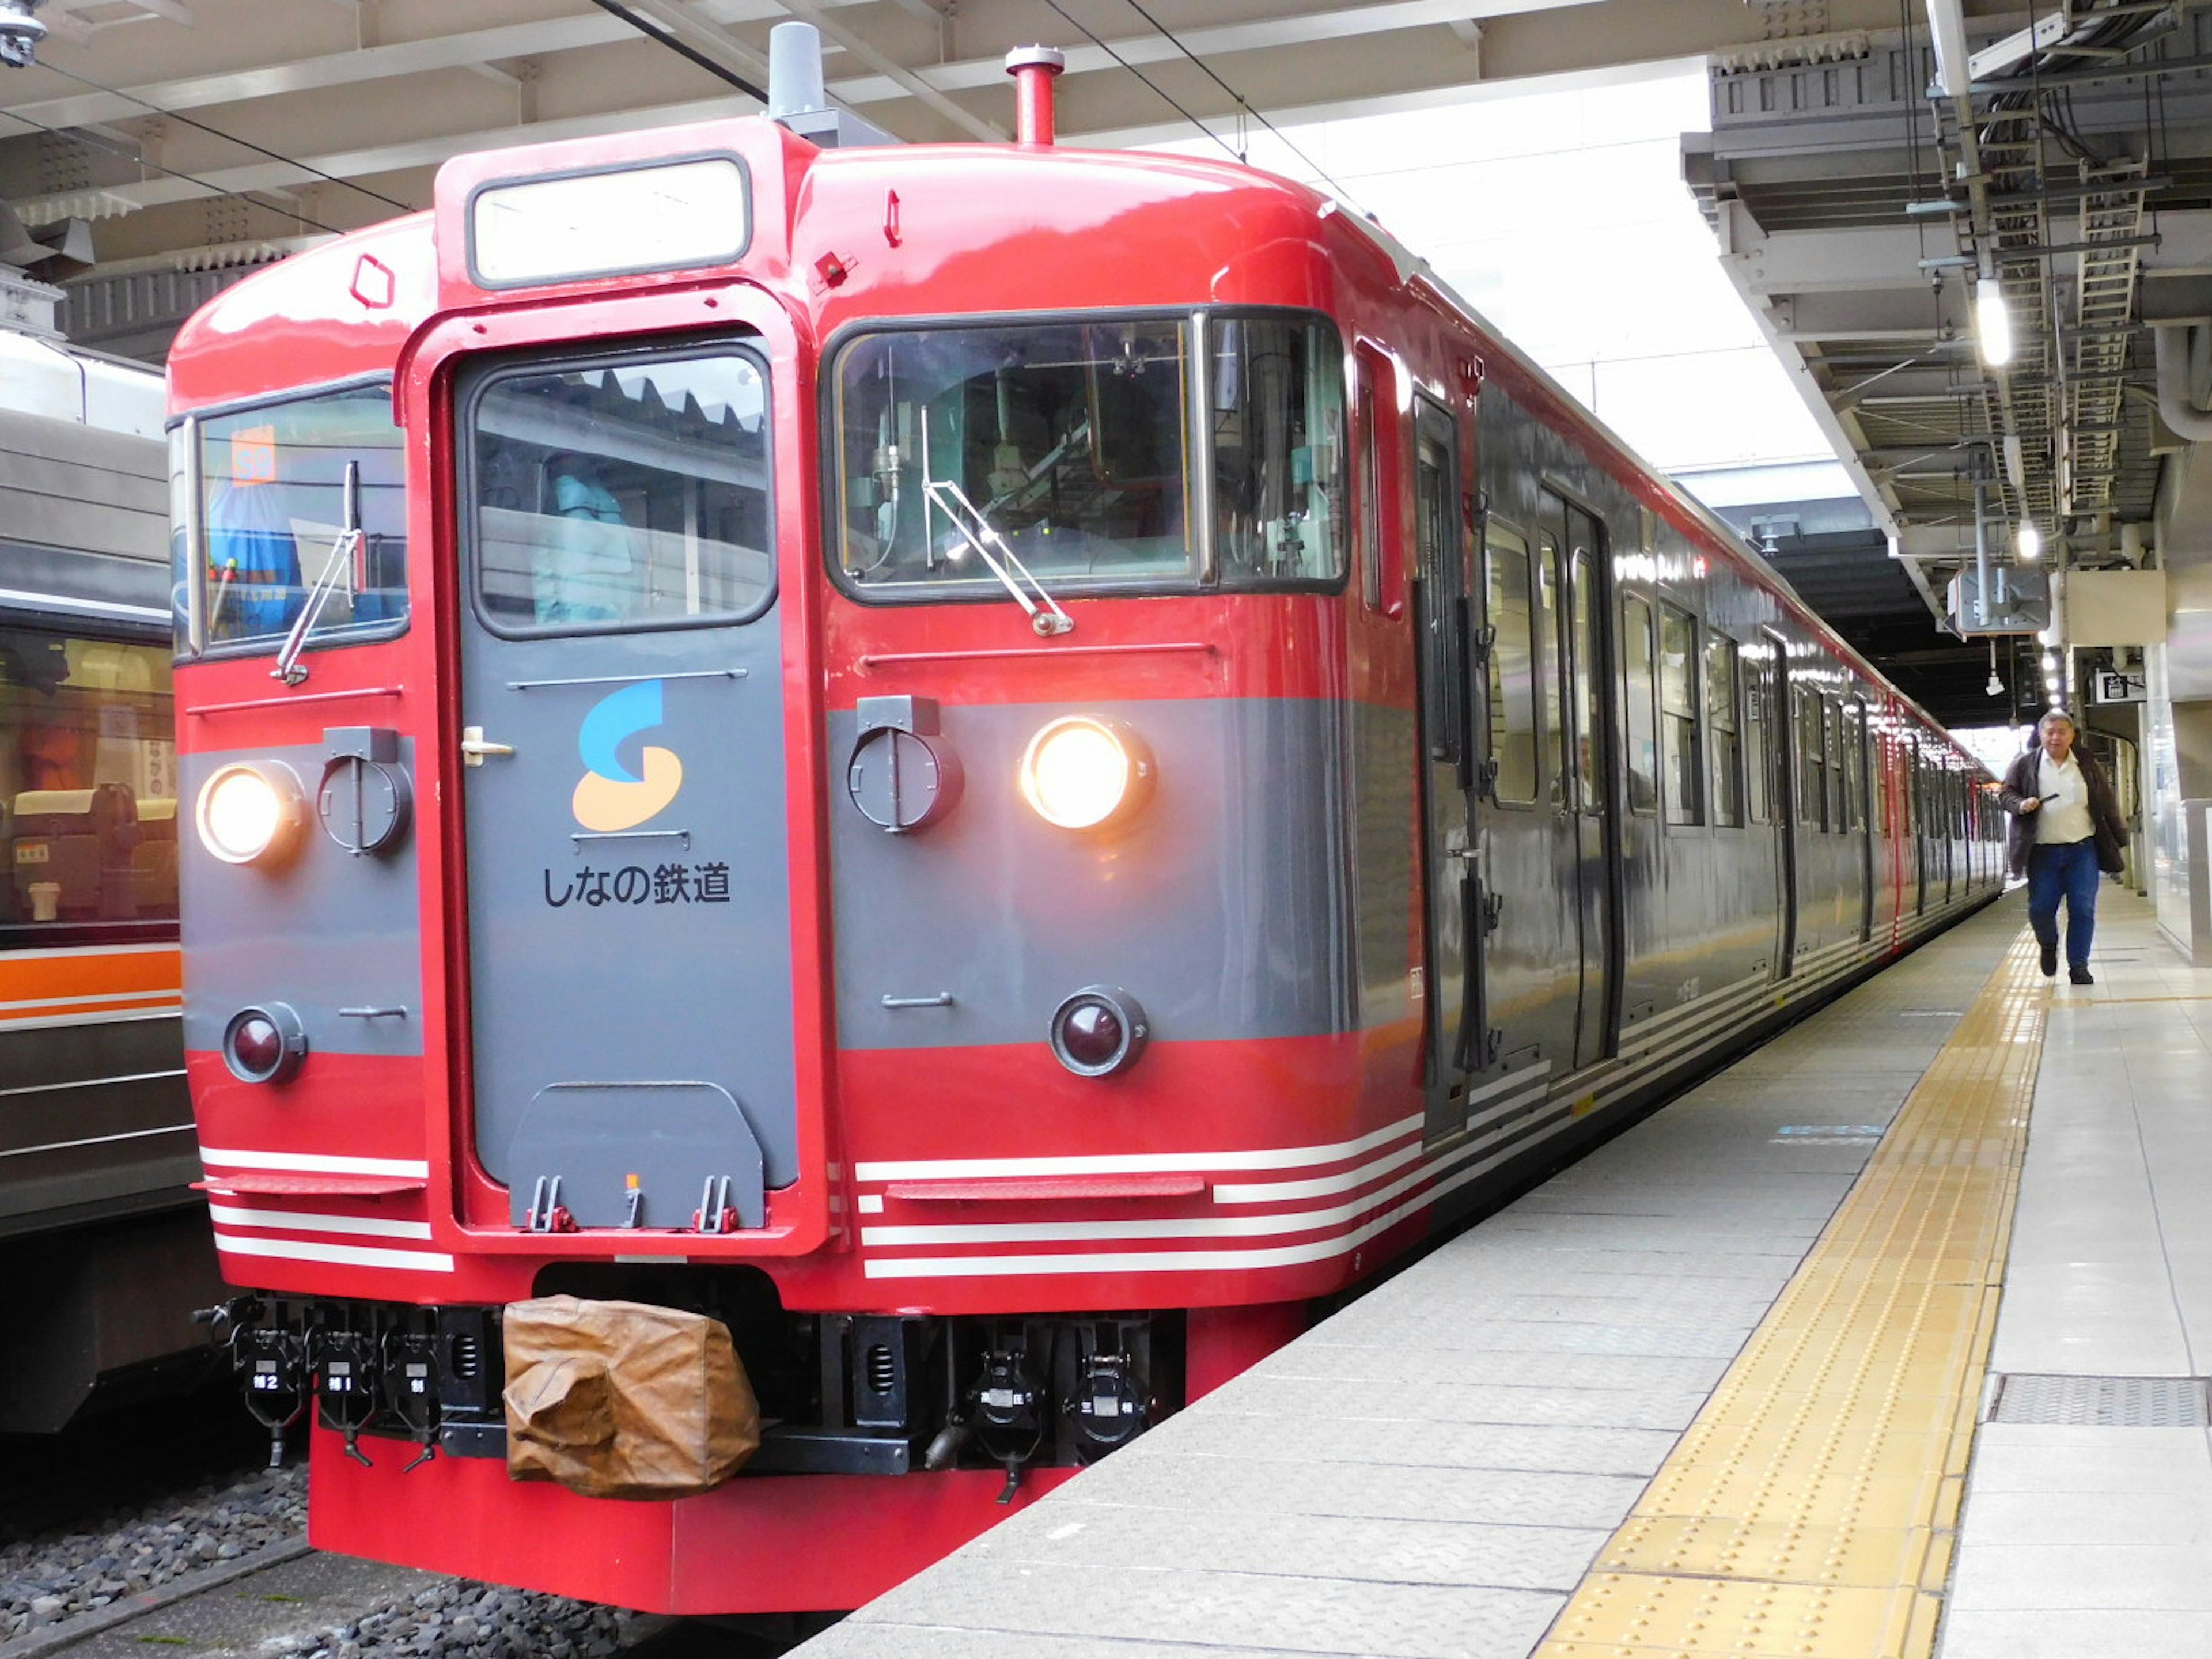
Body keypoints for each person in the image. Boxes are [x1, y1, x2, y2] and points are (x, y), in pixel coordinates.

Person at [1999, 708, 2129, 984]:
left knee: (2083, 908)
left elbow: (2105, 801)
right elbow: (2006, 794)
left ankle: (2078, 966)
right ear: (2041, 735)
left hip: (2082, 850)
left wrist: (2120, 837)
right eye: (2049, 732)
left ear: (2072, 736)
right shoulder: (2025, 764)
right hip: (2042, 852)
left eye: (2062, 732)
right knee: (2040, 908)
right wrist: (2021, 805)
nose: (2055, 737)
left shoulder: (2085, 763)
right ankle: (2048, 944)